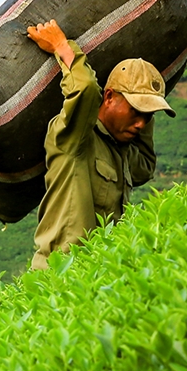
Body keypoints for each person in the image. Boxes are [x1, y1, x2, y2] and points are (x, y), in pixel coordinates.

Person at [26, 19, 175, 270]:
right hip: (59, 276)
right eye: (135, 110)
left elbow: (146, 167)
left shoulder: (123, 151)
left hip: (97, 277)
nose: (141, 124)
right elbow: (84, 89)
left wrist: (147, 108)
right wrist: (61, 46)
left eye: (148, 116)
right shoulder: (76, 138)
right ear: (108, 98)